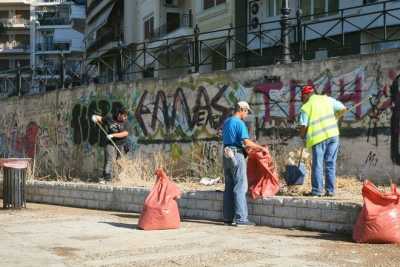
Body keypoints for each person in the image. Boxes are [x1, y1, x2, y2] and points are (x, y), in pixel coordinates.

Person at [222, 101, 268, 226]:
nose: (247, 114)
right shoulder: (239, 123)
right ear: (241, 109)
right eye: (246, 111)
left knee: (229, 186)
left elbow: (228, 138)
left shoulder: (227, 122)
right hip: (236, 154)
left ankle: (227, 218)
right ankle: (241, 219)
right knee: (240, 186)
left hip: (226, 153)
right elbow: (246, 142)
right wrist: (261, 148)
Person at [298, 85, 346, 197]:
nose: (302, 100)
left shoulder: (306, 107)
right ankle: (330, 191)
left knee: (318, 165)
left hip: (318, 138)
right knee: (330, 163)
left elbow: (303, 125)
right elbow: (343, 108)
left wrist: (302, 135)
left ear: (305, 95)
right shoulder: (327, 99)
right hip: (333, 135)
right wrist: (336, 117)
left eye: (302, 97)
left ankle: (317, 191)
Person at [92, 107, 129, 184]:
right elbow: (100, 119)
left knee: (120, 161)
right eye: (124, 116)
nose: (125, 118)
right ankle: (106, 178)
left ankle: (118, 177)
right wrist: (95, 118)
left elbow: (125, 133)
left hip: (121, 144)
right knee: (109, 159)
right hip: (110, 143)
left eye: (126, 116)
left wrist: (113, 135)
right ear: (119, 114)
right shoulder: (110, 118)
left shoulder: (125, 122)